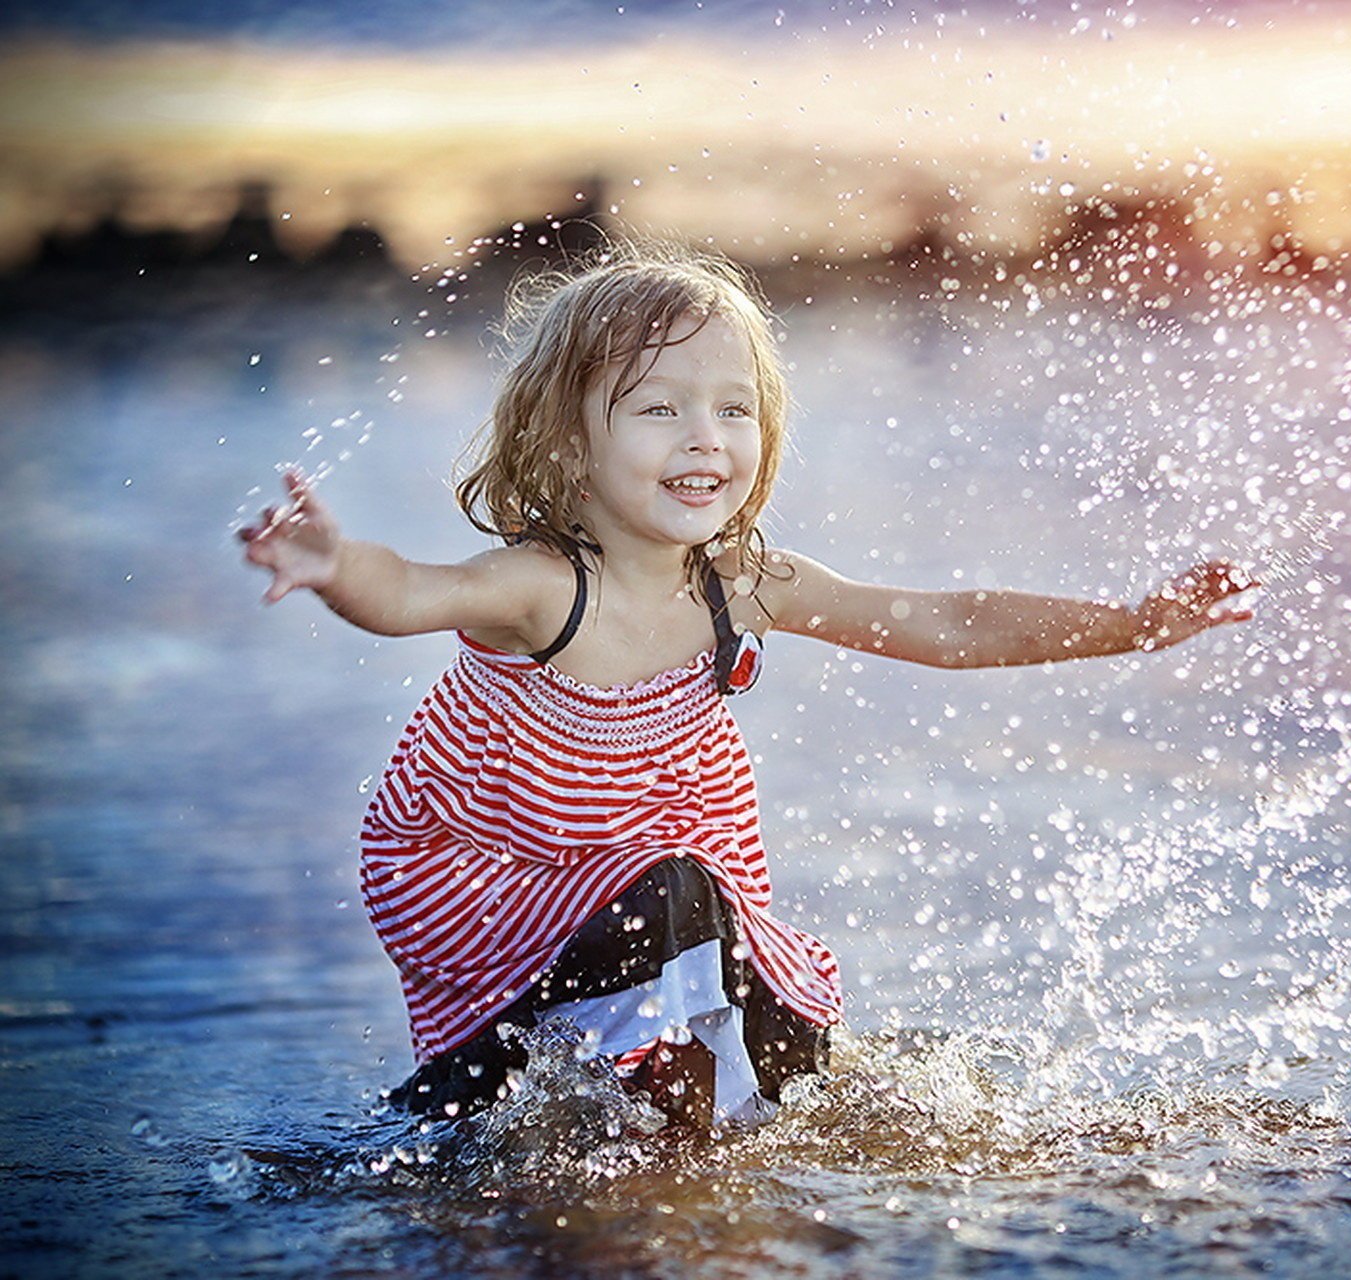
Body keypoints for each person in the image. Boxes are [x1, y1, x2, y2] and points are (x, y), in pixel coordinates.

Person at [238, 239, 1260, 1133]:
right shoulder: (545, 586)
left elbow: (946, 623)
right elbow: (415, 589)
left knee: (762, 1007)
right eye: (658, 408)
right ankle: (482, 1093)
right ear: (568, 443)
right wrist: (336, 568)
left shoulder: (742, 583)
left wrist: (1131, 625)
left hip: (655, 875)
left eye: (735, 408)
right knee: (672, 896)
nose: (705, 438)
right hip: (491, 876)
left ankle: (706, 1127)